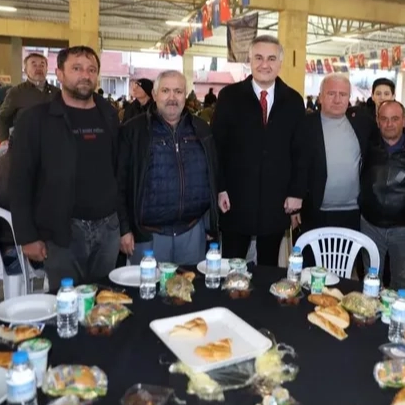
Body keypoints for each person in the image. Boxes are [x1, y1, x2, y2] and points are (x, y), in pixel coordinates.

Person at [9, 46, 120, 288]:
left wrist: (123, 226)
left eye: (91, 70)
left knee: (105, 298)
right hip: (61, 230)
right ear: (59, 73)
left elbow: (118, 170)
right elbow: (20, 180)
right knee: (66, 299)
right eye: (76, 68)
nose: (85, 75)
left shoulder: (109, 115)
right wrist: (27, 236)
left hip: (108, 229)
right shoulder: (36, 119)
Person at [212, 35, 306, 265]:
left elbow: (301, 151)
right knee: (232, 266)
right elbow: (217, 147)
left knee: (268, 269)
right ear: (250, 61)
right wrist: (220, 188)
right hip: (235, 200)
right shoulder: (229, 97)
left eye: (271, 58)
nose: (265, 64)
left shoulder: (294, 101)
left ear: (280, 63)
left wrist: (296, 192)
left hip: (276, 201)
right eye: (259, 58)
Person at [117, 70, 219, 265]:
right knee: (149, 284)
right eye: (165, 91)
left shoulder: (201, 129)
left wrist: (210, 224)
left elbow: (212, 177)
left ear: (186, 96)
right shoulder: (133, 131)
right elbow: (120, 183)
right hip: (148, 236)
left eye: (178, 91)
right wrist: (124, 229)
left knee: (190, 283)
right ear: (154, 95)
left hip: (192, 232)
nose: (172, 97)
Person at [297, 74, 378, 234]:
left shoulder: (362, 122)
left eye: (343, 94)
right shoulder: (304, 125)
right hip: (314, 212)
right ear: (320, 97)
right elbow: (294, 165)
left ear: (349, 98)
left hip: (353, 212)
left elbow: (391, 129)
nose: (337, 99)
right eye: (331, 93)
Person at [359, 100, 405, 290]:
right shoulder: (367, 144)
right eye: (384, 119)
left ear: (404, 121)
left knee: (400, 281)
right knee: (371, 279)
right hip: (370, 225)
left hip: (404, 229)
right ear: (377, 121)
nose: (389, 124)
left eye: (395, 119)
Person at [0, 52, 58, 142]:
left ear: (47, 69)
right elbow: (2, 117)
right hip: (24, 142)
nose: (39, 68)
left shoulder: (57, 93)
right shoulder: (16, 92)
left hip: (51, 142)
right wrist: (4, 140)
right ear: (25, 70)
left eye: (42, 65)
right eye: (34, 65)